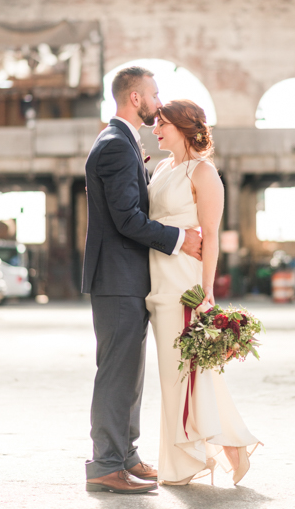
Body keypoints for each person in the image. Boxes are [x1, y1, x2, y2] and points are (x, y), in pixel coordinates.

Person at [81, 66, 203, 494]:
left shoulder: (123, 142)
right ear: (136, 99)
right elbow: (128, 219)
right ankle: (105, 466)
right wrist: (180, 239)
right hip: (117, 278)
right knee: (116, 372)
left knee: (129, 373)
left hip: (127, 277)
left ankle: (125, 456)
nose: (158, 100)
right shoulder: (116, 145)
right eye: (154, 93)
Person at [146, 100, 259, 486]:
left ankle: (185, 461)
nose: (155, 130)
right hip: (157, 280)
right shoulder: (161, 167)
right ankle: (226, 447)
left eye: (162, 124)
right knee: (178, 373)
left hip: (184, 285)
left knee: (183, 373)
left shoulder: (204, 172)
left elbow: (210, 237)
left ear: (183, 127)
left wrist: (207, 291)